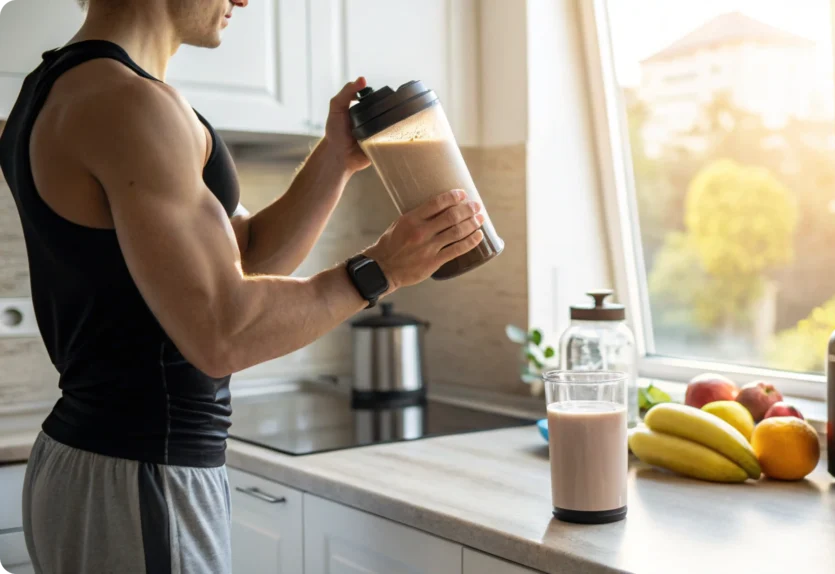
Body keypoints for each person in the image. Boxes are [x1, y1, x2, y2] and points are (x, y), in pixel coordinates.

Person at [0, 0, 487, 572]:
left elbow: (247, 255)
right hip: (140, 471)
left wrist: (334, 159)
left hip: (107, 462)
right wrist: (381, 269)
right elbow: (222, 333)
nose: (243, 0)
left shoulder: (63, 84)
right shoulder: (129, 103)